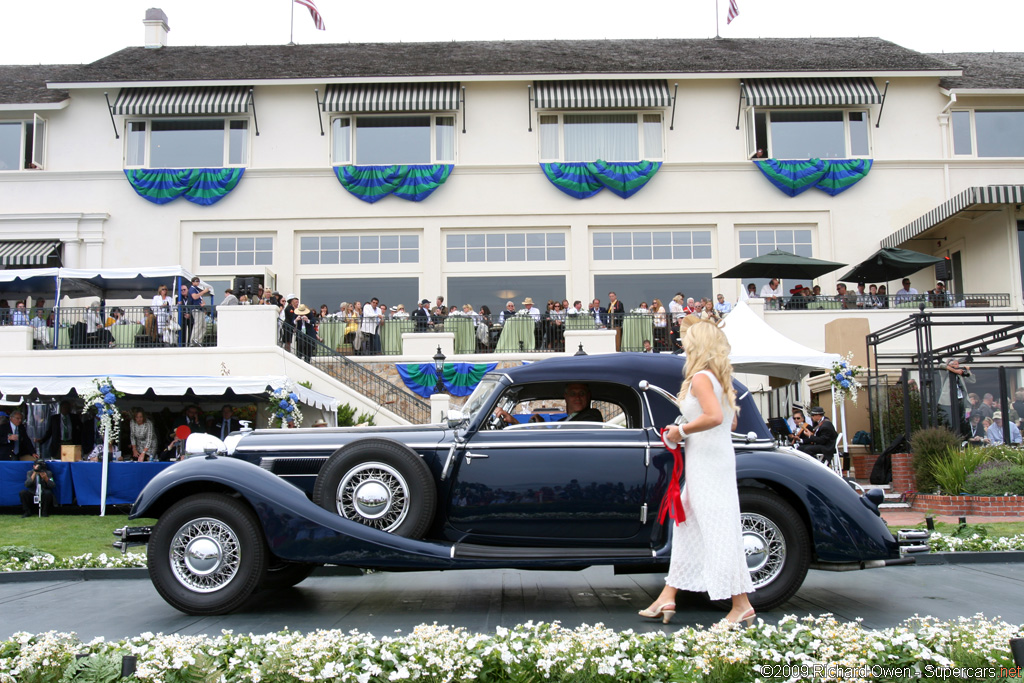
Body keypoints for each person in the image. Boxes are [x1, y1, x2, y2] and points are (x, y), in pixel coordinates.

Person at [640, 319, 755, 627]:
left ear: (698, 345)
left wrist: (680, 430)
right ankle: (668, 595)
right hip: (713, 462)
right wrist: (691, 427)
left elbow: (715, 417)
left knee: (717, 530)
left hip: (707, 465)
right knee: (691, 527)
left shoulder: (701, 378)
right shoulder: (718, 379)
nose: (683, 344)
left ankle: (741, 604)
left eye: (687, 340)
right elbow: (729, 423)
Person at [495, 382, 603, 426]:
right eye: (573, 394)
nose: (577, 397)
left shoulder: (592, 416)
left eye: (582, 393)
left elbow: (562, 439)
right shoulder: (563, 421)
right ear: (566, 396)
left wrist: (515, 422)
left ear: (588, 396)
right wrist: (541, 426)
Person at [937, 357, 974, 435]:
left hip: (960, 399)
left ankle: (963, 435)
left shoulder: (959, 374)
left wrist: (968, 371)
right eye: (954, 364)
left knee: (961, 419)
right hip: (948, 401)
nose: (957, 365)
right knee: (949, 419)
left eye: (957, 364)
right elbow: (941, 365)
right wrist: (954, 370)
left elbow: (972, 380)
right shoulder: (945, 374)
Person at [187, 277, 211, 347]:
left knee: (204, 326)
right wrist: (204, 291)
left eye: (198, 281)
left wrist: (203, 303)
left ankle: (198, 340)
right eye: (196, 281)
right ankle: (193, 340)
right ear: (192, 282)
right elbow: (194, 297)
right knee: (198, 325)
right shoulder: (192, 289)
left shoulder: (197, 290)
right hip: (196, 309)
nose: (197, 283)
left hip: (200, 309)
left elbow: (201, 299)